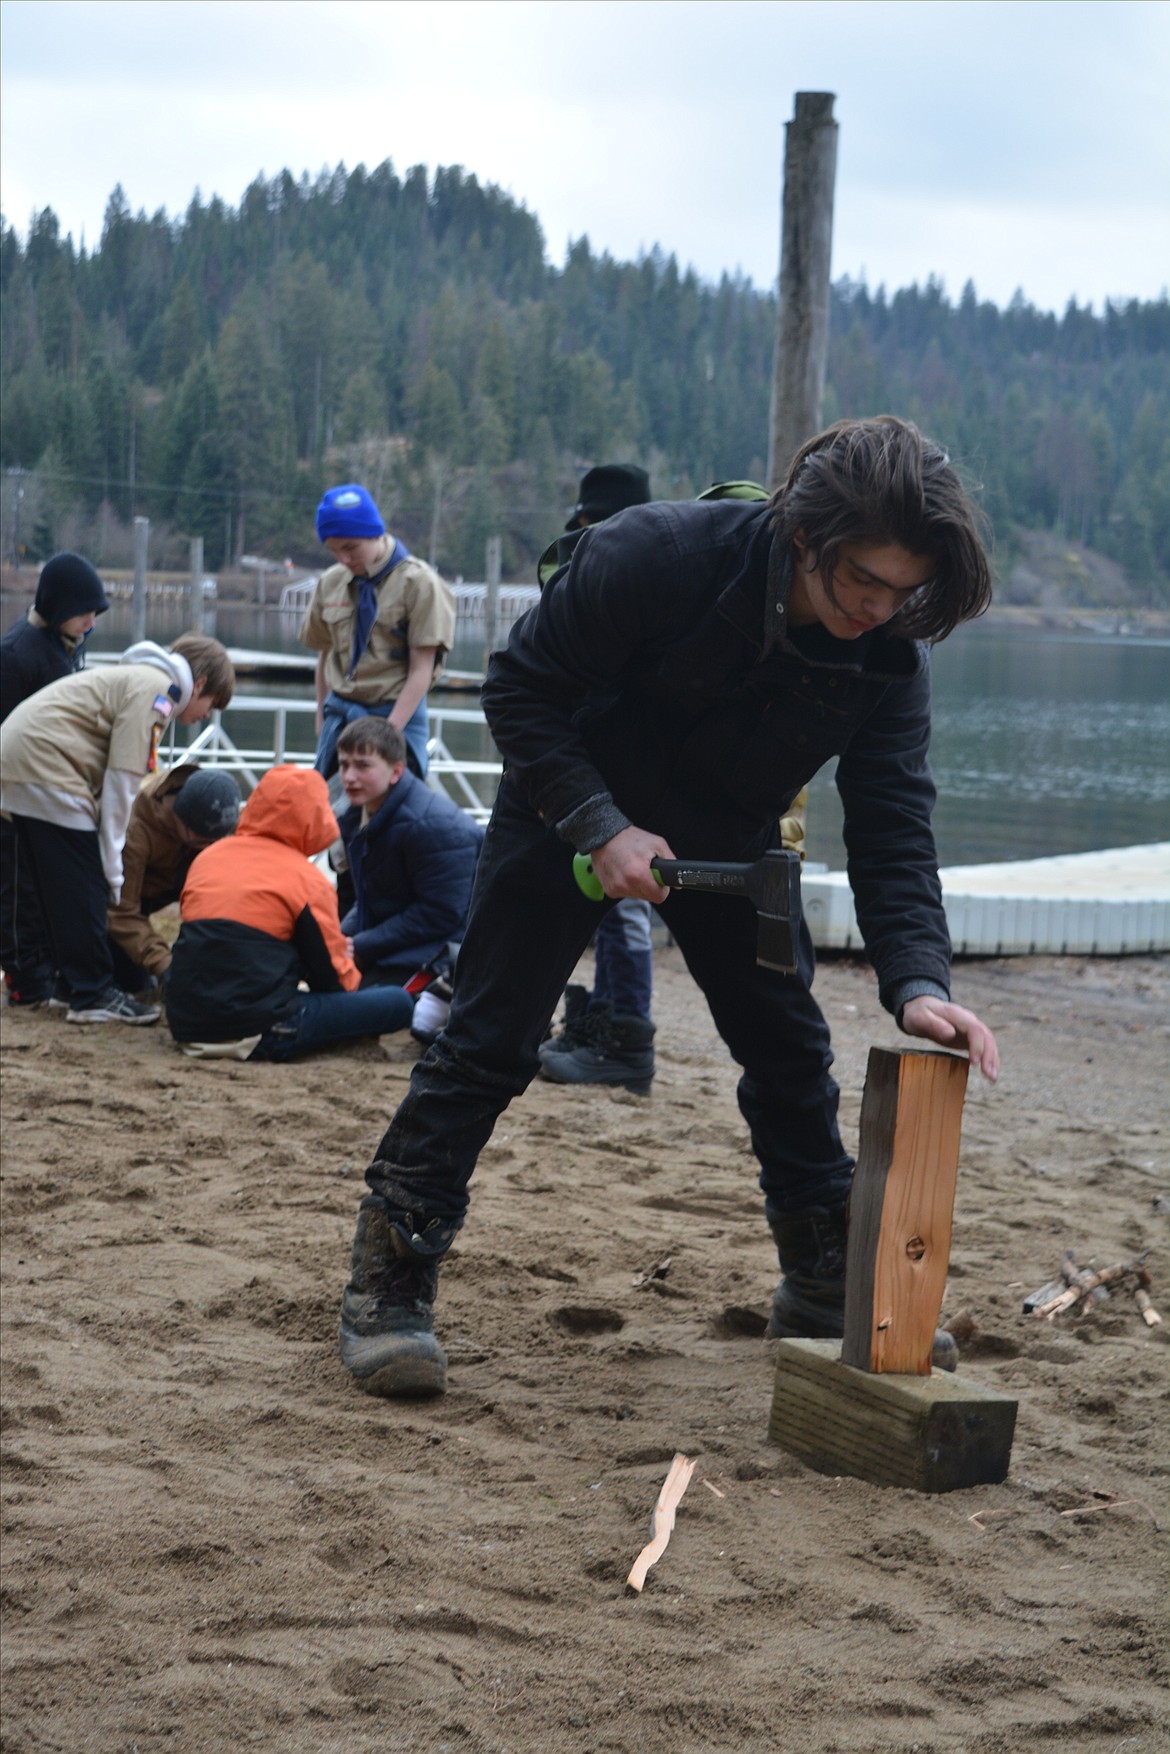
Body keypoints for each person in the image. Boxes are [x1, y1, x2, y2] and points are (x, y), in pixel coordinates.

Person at [337, 416, 1002, 1400]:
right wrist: (601, 826)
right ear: (806, 536)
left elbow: (895, 821)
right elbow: (519, 690)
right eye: (863, 579)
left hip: (729, 826)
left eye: (904, 590)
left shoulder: (889, 652)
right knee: (490, 1035)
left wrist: (917, 980)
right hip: (564, 795)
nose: (878, 605)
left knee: (788, 1044)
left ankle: (823, 1281)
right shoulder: (654, 555)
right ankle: (389, 1285)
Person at [0, 634, 234, 1025]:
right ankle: (92, 992)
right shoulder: (158, 691)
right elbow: (124, 782)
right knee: (86, 884)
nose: (207, 715)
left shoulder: (138, 677)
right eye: (211, 705)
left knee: (55, 888)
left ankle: (69, 986)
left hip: (17, 758)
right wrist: (110, 865)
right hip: (49, 767)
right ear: (201, 685)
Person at [534, 465, 658, 1095]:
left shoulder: (656, 585)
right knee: (599, 904)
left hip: (632, 771)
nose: (588, 539)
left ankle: (626, 1038)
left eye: (593, 526)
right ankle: (596, 1022)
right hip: (593, 767)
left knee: (625, 907)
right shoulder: (589, 583)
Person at [165, 764, 415, 1061]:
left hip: (186, 1023)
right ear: (314, 819)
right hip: (260, 1030)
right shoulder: (306, 880)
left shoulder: (208, 858)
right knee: (397, 1002)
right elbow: (335, 982)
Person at [1, 551, 110, 1008]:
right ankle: (26, 977)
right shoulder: (15, 655)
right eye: (82, 612)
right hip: (11, 792)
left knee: (47, 884)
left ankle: (48, 969)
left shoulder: (67, 644)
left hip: (49, 787)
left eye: (94, 613)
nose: (90, 622)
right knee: (17, 885)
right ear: (56, 607)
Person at [334, 717, 483, 1042]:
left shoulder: (433, 825)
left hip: (443, 950)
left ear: (396, 771)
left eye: (363, 765)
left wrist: (361, 944)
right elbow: (368, 899)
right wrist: (338, 937)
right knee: (332, 978)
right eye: (344, 764)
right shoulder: (357, 815)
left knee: (361, 1011)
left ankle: (444, 998)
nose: (348, 776)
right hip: (403, 942)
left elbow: (443, 914)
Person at [299, 484, 456, 782]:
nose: (343, 559)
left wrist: (388, 735)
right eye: (333, 550)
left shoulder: (420, 584)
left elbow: (421, 670)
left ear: (374, 533)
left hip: (397, 714)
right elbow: (325, 655)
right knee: (331, 811)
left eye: (349, 547)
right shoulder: (330, 583)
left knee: (396, 812)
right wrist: (321, 716)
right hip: (341, 714)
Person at [106, 764, 242, 995]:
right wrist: (165, 965)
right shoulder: (134, 830)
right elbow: (120, 911)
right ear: (178, 818)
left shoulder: (216, 808)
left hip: (173, 881)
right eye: (201, 843)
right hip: (129, 898)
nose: (210, 849)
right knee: (132, 983)